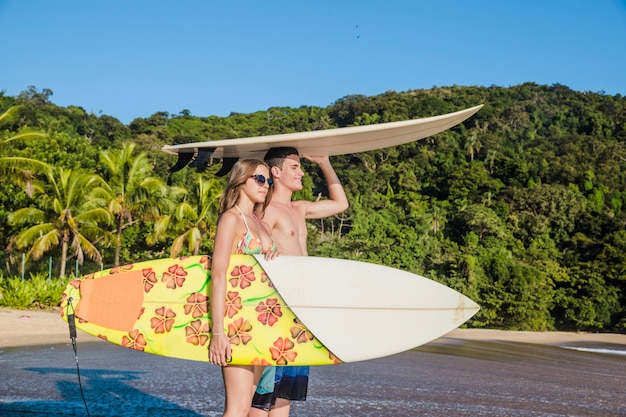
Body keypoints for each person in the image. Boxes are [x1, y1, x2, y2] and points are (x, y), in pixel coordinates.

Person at [249, 147, 349, 417]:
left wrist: (325, 163)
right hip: (276, 305)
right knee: (264, 390)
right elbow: (249, 245)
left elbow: (341, 204)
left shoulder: (299, 208)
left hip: (301, 307)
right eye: (295, 167)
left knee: (286, 392)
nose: (301, 172)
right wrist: (265, 249)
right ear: (276, 172)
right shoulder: (266, 209)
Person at [209, 158, 281, 417]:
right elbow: (218, 275)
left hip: (261, 322)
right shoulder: (230, 219)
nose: (266, 185)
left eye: (268, 181)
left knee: (251, 405)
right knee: (237, 408)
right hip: (235, 322)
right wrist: (218, 334)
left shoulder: (260, 223)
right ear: (241, 181)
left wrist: (275, 257)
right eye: (260, 179)